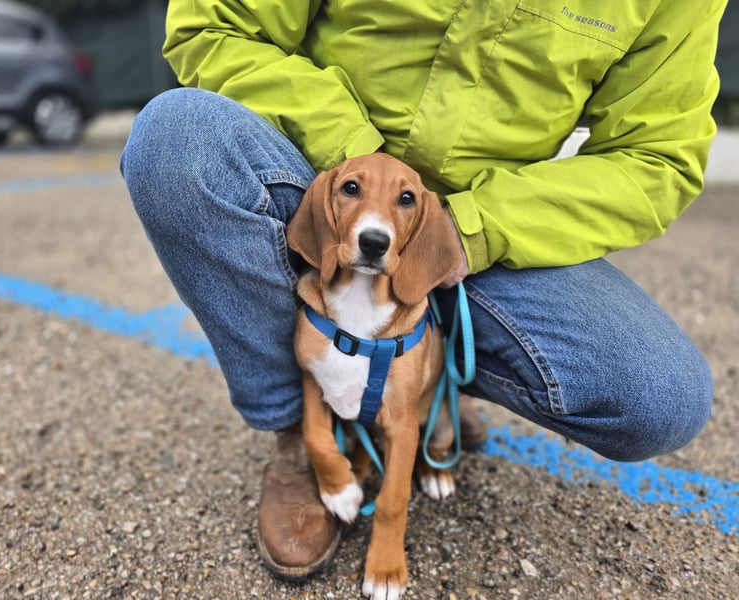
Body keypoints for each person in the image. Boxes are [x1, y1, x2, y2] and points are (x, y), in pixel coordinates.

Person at [121, 0, 727, 582]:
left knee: (661, 395)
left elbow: (657, 158)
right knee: (177, 139)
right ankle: (305, 444)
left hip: (482, 231)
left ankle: (433, 384)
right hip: (325, 178)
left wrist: (474, 230)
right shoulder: (343, 187)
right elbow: (215, 25)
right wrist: (362, 170)